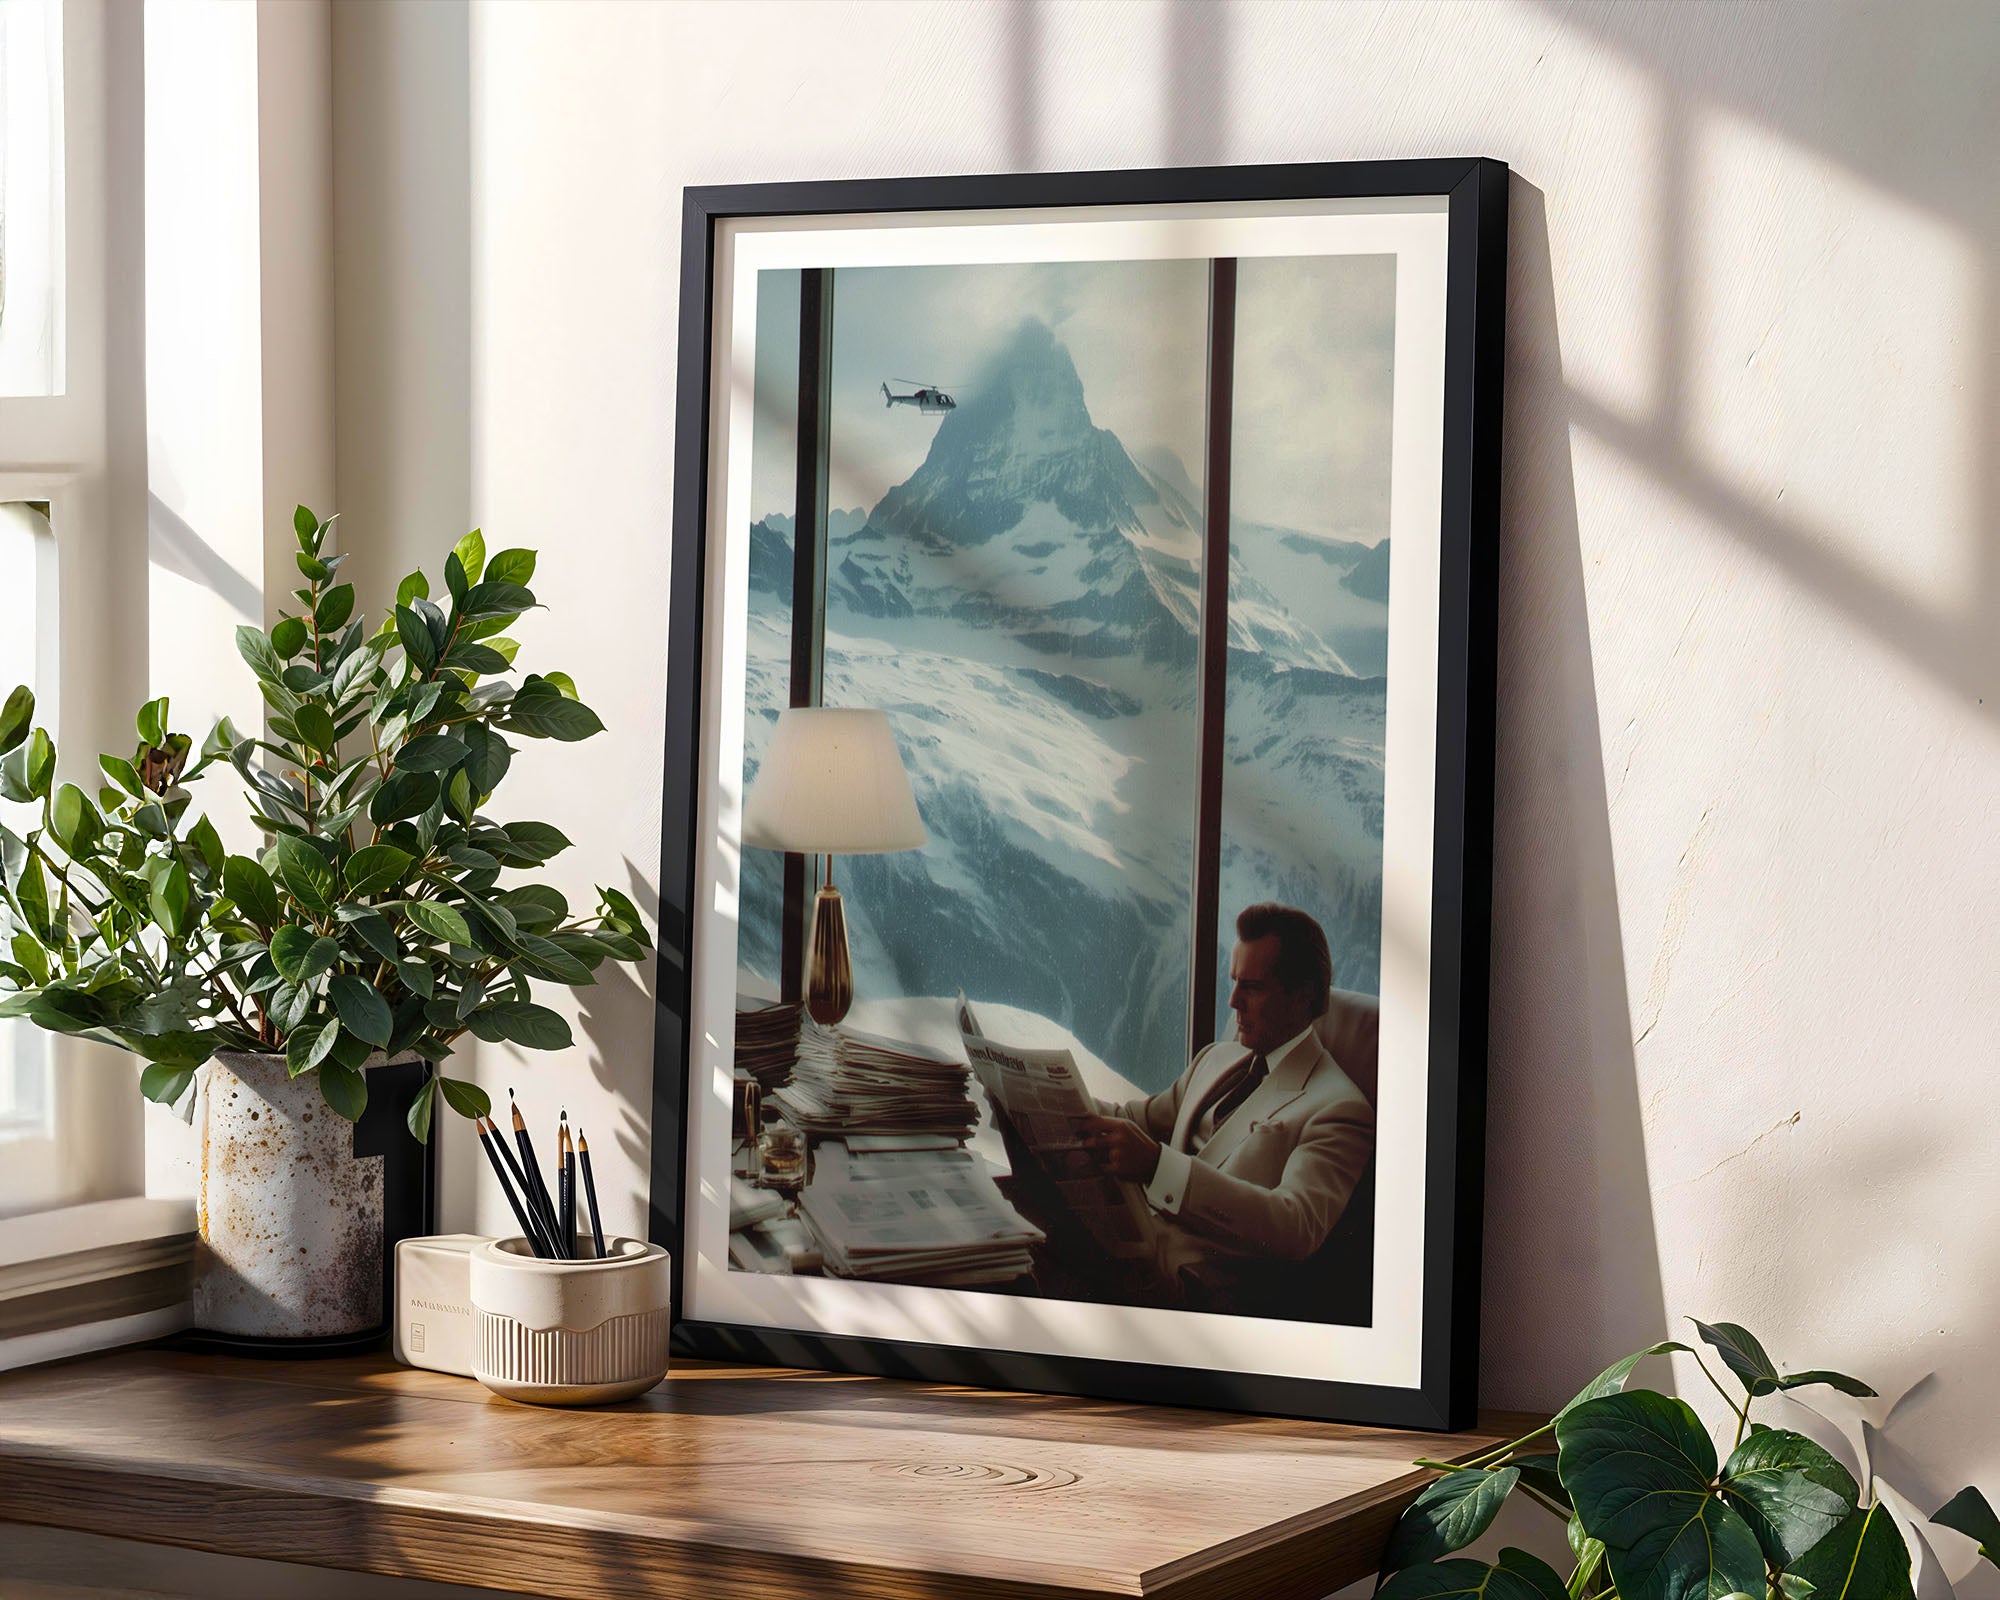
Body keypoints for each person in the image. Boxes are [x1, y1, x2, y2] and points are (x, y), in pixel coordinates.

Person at [1080, 903, 1375, 1312]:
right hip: (1128, 1251)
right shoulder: (1215, 1059)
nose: (1234, 1000)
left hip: (1195, 1295)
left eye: (1252, 987)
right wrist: (1054, 1094)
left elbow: (1296, 1225)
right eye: (1234, 981)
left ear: (1304, 997)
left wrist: (1157, 1167)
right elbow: (1135, 1120)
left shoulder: (1339, 1108)